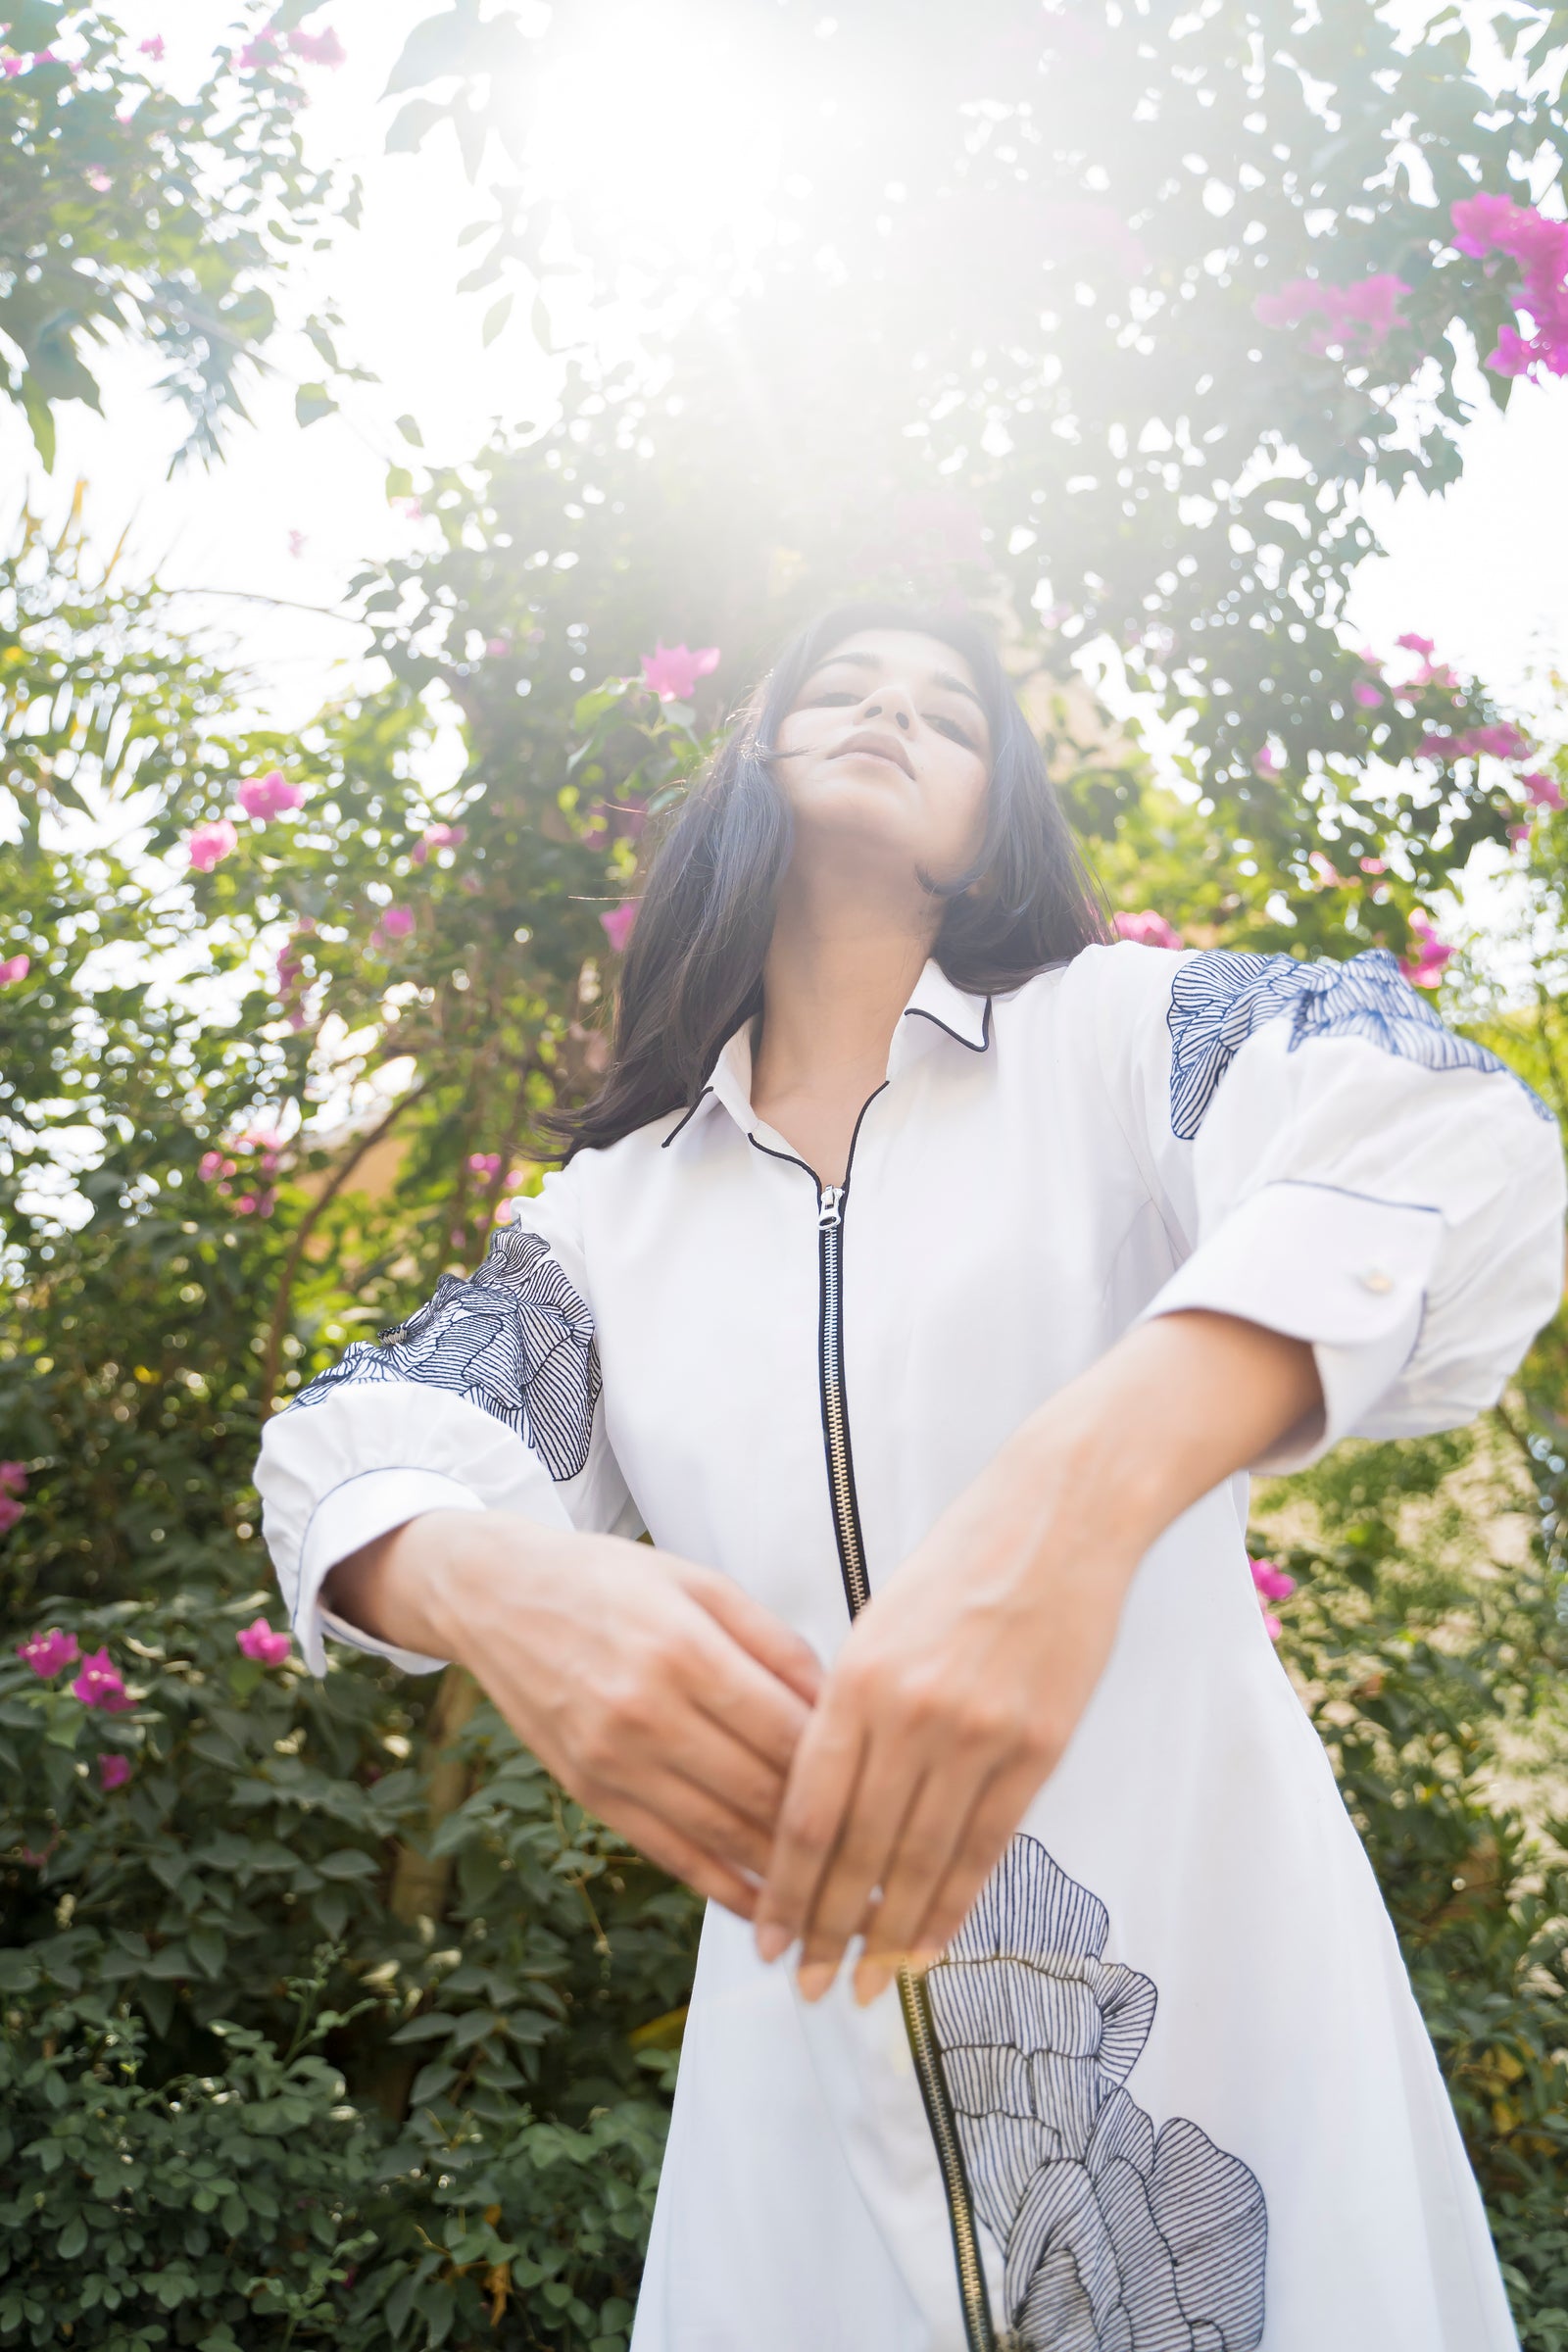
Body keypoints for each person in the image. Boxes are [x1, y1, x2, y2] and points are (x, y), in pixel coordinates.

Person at [257, 601, 1565, 2352]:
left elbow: (1446, 1132)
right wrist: (498, 1586)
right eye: (844, 686)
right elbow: (353, 1442)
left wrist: (1080, 1494)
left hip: (1220, 1990)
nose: (892, 707)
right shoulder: (611, 1215)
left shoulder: (1126, 1038)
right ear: (753, 760)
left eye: (949, 708)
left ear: (995, 815)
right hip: (802, 2080)